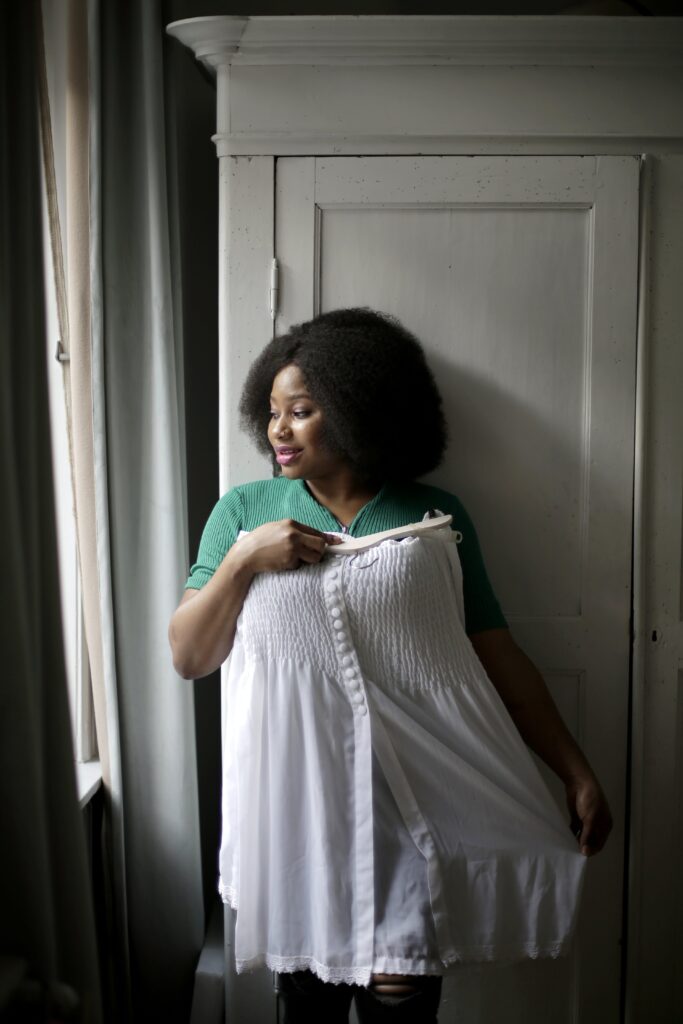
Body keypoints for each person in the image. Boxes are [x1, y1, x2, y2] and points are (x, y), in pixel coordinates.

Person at [169, 308, 612, 1024]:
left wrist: (574, 770)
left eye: (302, 411)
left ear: (357, 410)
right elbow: (190, 653)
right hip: (299, 815)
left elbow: (494, 652)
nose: (278, 429)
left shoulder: (434, 516)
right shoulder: (244, 510)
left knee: (400, 1004)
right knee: (308, 1006)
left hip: (413, 815)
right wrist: (247, 559)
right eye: (273, 411)